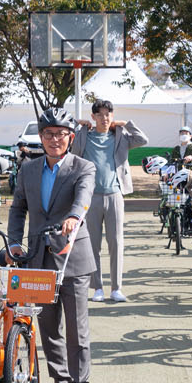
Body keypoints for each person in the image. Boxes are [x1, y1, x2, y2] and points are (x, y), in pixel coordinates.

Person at [8, 108, 96, 383]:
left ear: (70, 138)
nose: (54, 139)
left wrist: (74, 217)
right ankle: (60, 381)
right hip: (38, 258)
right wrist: (14, 242)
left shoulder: (83, 167)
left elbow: (83, 197)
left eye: (60, 134)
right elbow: (17, 208)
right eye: (48, 134)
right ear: (40, 137)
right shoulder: (28, 169)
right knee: (47, 326)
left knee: (77, 328)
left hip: (72, 256)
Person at [71, 98, 147, 303]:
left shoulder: (120, 136)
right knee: (92, 244)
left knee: (116, 243)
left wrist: (126, 124)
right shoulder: (84, 136)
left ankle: (116, 288)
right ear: (93, 116)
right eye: (100, 115)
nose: (104, 118)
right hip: (90, 197)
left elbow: (142, 140)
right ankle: (97, 288)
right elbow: (67, 141)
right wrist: (78, 123)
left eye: (108, 114)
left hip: (115, 195)